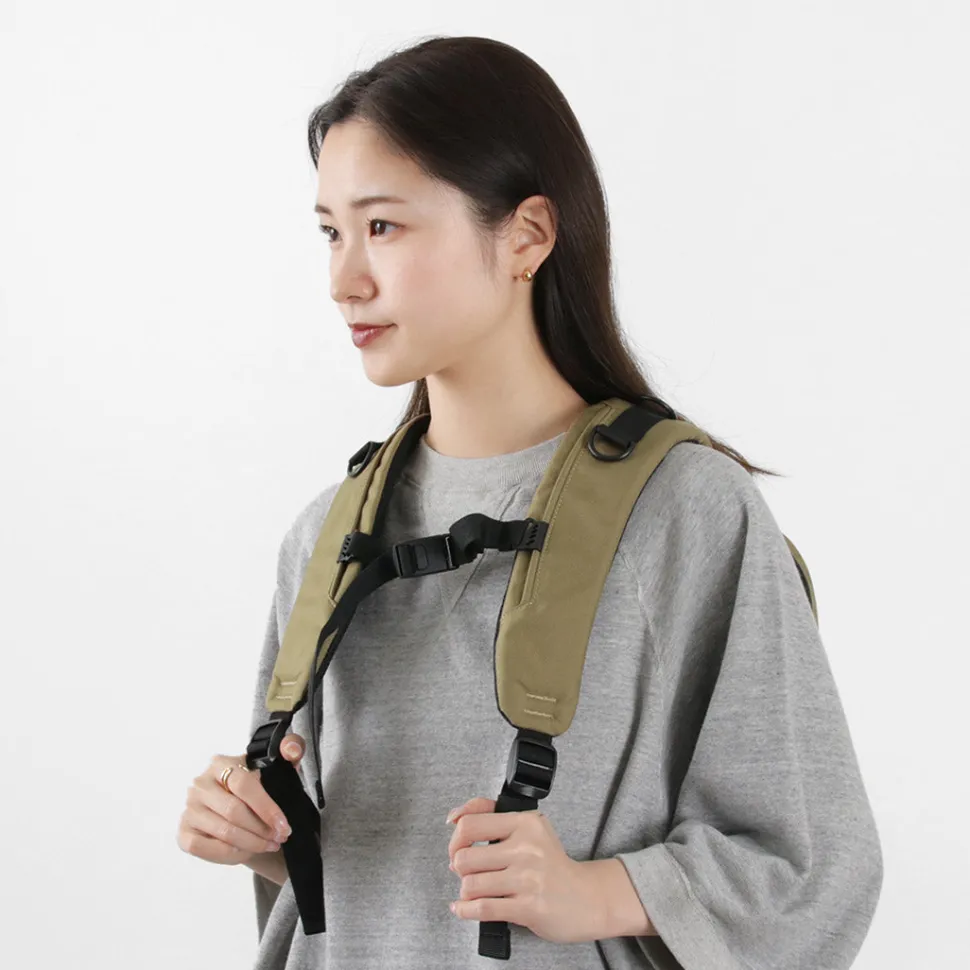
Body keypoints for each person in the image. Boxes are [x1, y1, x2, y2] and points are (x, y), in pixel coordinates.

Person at [177, 34, 883, 970]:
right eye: (331, 232)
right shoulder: (328, 535)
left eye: (383, 227)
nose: (344, 280)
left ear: (527, 235)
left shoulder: (683, 511)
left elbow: (815, 870)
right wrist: (263, 833)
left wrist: (597, 892)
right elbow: (331, 891)